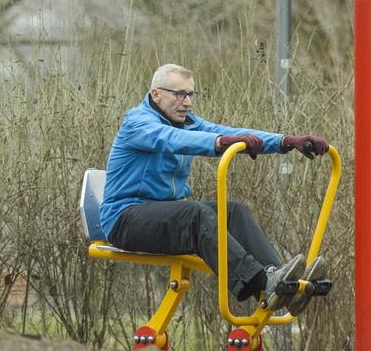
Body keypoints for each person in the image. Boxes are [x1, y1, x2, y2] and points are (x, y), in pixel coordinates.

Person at [100, 64, 328, 315]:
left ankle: (283, 284)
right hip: (125, 218)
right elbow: (168, 139)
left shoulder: (188, 123)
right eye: (179, 94)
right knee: (195, 215)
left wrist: (286, 141)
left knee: (233, 211)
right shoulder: (138, 121)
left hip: (164, 212)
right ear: (156, 95)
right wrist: (218, 143)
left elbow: (230, 133)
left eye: (190, 95)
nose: (186, 102)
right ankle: (265, 284)